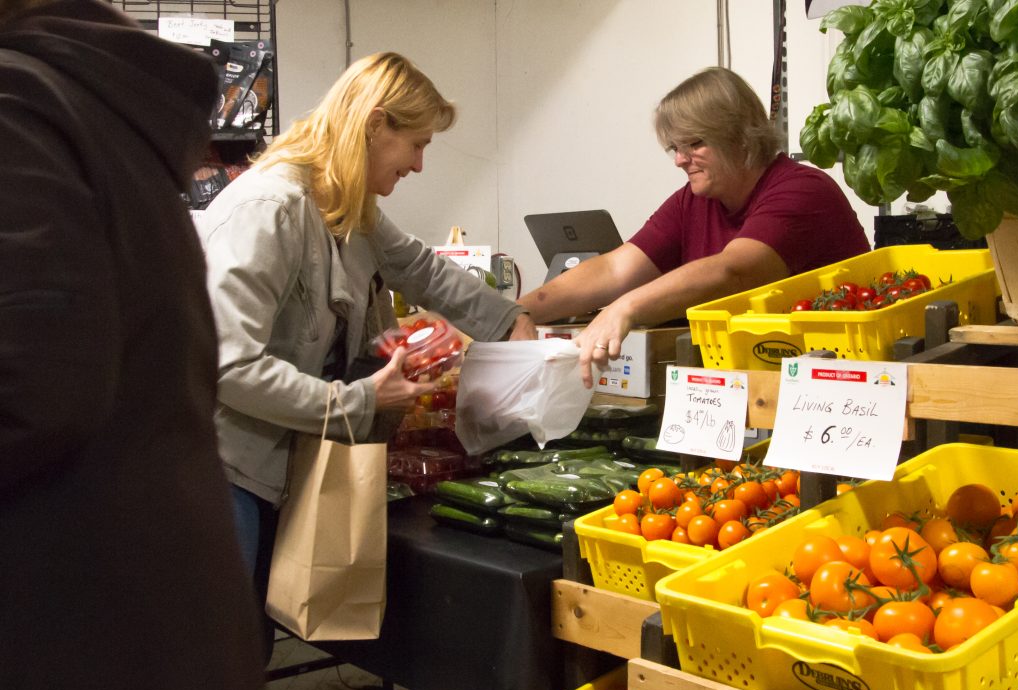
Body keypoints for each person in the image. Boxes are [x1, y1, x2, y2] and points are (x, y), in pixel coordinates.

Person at [0, 1, 265, 690]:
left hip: (67, 665)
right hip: (136, 642)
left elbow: (28, 388)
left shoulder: (17, 111)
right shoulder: (88, 106)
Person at [200, 52, 536, 607]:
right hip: (224, 469)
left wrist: (511, 319)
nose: (421, 164)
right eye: (419, 144)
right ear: (376, 123)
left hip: (277, 461)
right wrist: (359, 399)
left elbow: (421, 269)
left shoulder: (349, 206)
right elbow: (228, 366)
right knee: (222, 647)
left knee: (246, 643)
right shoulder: (269, 209)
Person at [518, 66, 870, 385]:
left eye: (695, 143)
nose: (679, 160)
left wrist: (624, 308)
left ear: (740, 135)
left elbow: (733, 270)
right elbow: (615, 268)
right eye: (675, 147)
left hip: (835, 383)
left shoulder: (801, 190)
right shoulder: (695, 200)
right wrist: (514, 313)